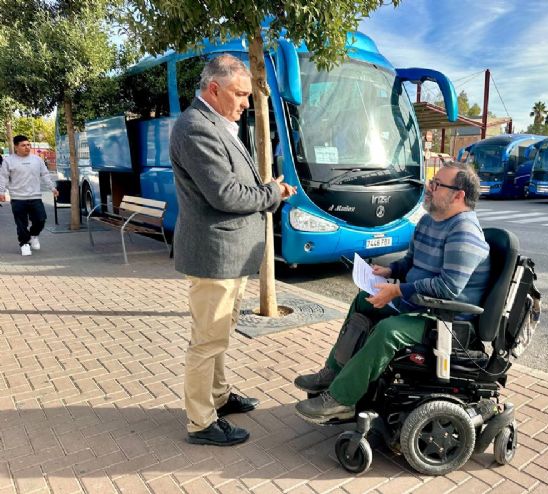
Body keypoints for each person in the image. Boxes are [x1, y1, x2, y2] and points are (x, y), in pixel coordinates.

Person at [294, 161, 490, 423]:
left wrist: (398, 290)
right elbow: (411, 262)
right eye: (431, 182)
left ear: (458, 195)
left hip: (446, 320)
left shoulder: (464, 231)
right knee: (365, 301)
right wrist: (389, 271)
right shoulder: (430, 221)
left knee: (389, 331)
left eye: (437, 184)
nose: (429, 188)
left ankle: (341, 400)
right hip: (421, 305)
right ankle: (333, 372)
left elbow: (448, 287)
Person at [170, 54, 296, 446]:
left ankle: (219, 397)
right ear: (214, 89)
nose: (246, 103)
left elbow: (233, 184)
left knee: (219, 334)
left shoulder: (218, 124)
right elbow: (224, 194)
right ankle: (201, 421)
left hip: (229, 253)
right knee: (207, 341)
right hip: (215, 255)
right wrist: (272, 192)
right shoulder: (195, 128)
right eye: (240, 94)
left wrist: (264, 189)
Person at [0, 135, 59, 256]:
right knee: (21, 223)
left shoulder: (37, 160)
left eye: (28, 145)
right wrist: (1, 192)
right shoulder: (8, 161)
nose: (27, 147)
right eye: (23, 145)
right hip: (17, 198)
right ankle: (24, 244)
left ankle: (33, 235)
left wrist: (52, 188)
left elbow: (45, 175)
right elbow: (3, 178)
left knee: (41, 219)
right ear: (16, 147)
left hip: (35, 197)